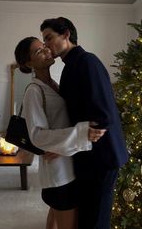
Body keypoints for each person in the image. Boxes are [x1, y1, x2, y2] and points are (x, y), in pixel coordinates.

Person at [40, 17, 129, 229]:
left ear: (66, 34)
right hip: (89, 158)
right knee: (86, 217)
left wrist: (65, 146)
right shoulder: (71, 66)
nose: (46, 45)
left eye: (49, 37)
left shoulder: (87, 62)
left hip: (102, 158)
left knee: (95, 221)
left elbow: (103, 117)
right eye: (44, 41)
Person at [14, 37, 106, 229]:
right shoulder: (34, 90)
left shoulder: (53, 84)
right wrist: (82, 133)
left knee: (55, 218)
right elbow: (37, 135)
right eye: (38, 51)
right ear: (28, 63)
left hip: (67, 165)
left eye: (44, 46)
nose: (46, 50)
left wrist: (62, 147)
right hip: (59, 174)